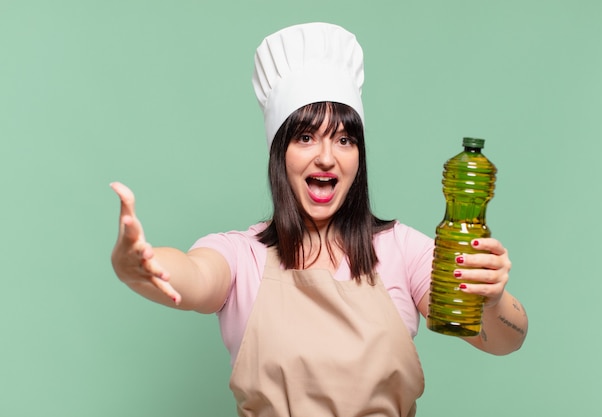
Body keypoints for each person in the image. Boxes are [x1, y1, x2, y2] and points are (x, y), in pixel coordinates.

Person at [110, 22, 528, 416]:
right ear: (280, 154)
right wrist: (137, 266)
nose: (326, 157)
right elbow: (192, 275)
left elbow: (506, 339)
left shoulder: (403, 250)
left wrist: (491, 300)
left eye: (344, 139)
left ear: (358, 157)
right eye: (306, 136)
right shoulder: (241, 256)